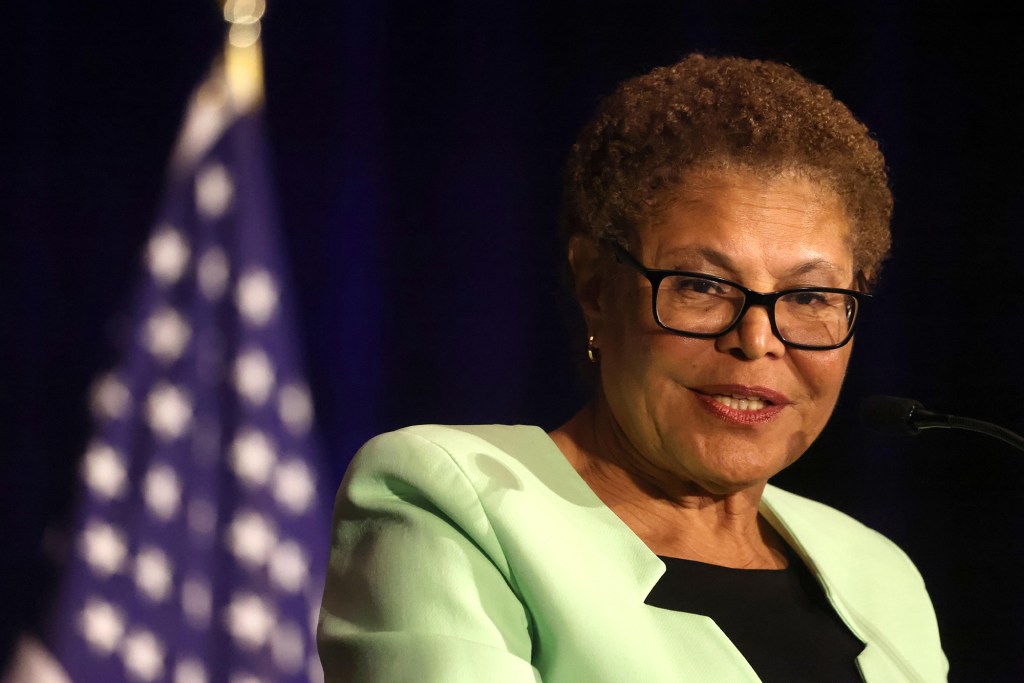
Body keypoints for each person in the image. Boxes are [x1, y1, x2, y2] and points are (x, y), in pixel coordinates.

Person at [316, 53, 948, 682]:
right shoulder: (452, 502)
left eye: (810, 297)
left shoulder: (879, 574)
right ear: (595, 287)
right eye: (702, 286)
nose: (756, 340)